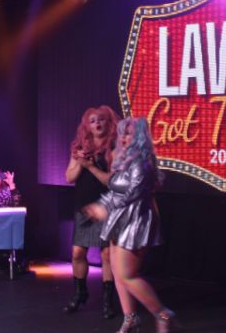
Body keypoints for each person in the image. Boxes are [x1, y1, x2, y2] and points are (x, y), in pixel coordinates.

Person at [85, 118, 177, 333]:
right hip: (120, 218)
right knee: (118, 274)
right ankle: (131, 318)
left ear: (139, 137)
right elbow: (115, 191)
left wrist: (104, 208)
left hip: (135, 220)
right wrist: (100, 205)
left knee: (128, 274)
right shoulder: (124, 159)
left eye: (129, 134)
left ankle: (163, 314)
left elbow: (131, 193)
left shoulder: (141, 163)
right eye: (122, 133)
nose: (124, 138)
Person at [63, 105, 120, 318]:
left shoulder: (114, 148)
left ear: (108, 123)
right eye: (93, 120)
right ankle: (80, 294)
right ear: (87, 125)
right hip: (84, 206)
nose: (97, 124)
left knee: (107, 254)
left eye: (102, 120)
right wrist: (80, 162)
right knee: (77, 253)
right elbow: (69, 177)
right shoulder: (80, 147)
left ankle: (108, 301)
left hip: (106, 207)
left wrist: (91, 166)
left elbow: (112, 182)